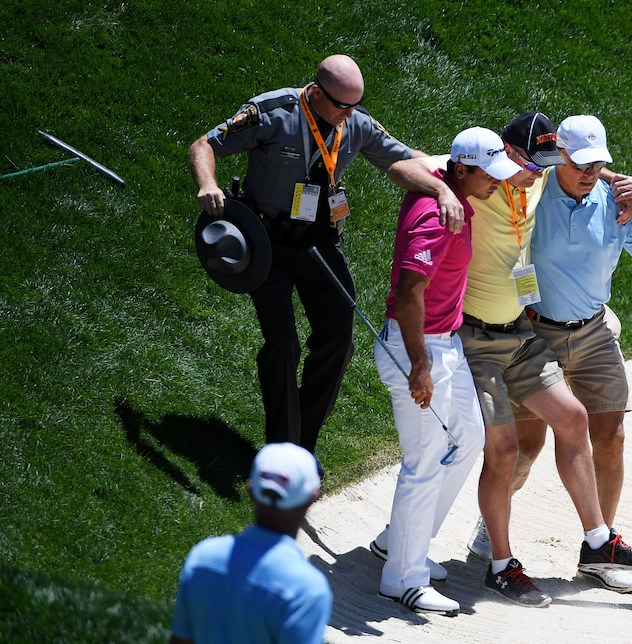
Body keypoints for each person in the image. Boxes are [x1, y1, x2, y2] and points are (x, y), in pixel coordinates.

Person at [403, 111, 632, 607]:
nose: (534, 173)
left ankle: (597, 540)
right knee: (503, 452)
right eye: (529, 163)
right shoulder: (479, 183)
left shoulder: (538, 183)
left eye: (544, 165)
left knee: (574, 417)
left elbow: (574, 169)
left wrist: (619, 182)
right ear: (505, 155)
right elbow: (411, 163)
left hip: (519, 334)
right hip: (474, 338)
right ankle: (500, 565)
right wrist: (441, 190)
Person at [189, 54, 464, 460]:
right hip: (267, 243)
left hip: (320, 244)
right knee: (283, 344)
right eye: (341, 106)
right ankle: (282, 449)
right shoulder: (272, 112)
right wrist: (207, 183)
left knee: (338, 342)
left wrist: (449, 184)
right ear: (316, 92)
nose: (348, 115)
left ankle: (303, 443)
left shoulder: (355, 123)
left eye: (354, 106)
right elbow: (204, 145)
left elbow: (406, 160)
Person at [512, 114, 632, 594]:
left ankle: (598, 553)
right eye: (580, 162)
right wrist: (526, 310)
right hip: (538, 336)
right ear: (559, 154)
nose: (589, 171)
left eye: (598, 163)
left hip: (596, 333)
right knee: (527, 446)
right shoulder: (534, 194)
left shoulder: (616, 202)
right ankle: (491, 522)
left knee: (612, 435)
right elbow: (513, 252)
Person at [368, 127, 519, 616]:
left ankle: (402, 542)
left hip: (445, 344)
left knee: (470, 437)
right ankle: (404, 580)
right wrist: (419, 367)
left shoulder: (445, 182)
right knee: (424, 461)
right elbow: (411, 294)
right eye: (488, 174)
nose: (497, 181)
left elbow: (410, 161)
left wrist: (440, 184)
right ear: (460, 169)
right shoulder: (436, 215)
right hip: (419, 349)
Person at [169, 442, 332, 644]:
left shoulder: (203, 556)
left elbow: (180, 640)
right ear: (312, 497)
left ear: (250, 489)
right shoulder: (307, 590)